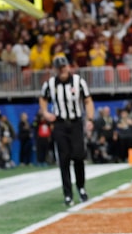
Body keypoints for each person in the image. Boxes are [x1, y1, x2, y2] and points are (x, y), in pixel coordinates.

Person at [39, 55, 95, 207]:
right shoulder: (50, 84)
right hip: (60, 124)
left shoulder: (78, 82)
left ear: (68, 67)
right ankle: (68, 194)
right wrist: (45, 112)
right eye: (59, 68)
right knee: (63, 159)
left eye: (64, 67)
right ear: (55, 69)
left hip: (76, 123)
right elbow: (43, 98)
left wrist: (89, 119)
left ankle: (81, 188)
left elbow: (88, 100)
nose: (62, 70)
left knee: (78, 156)